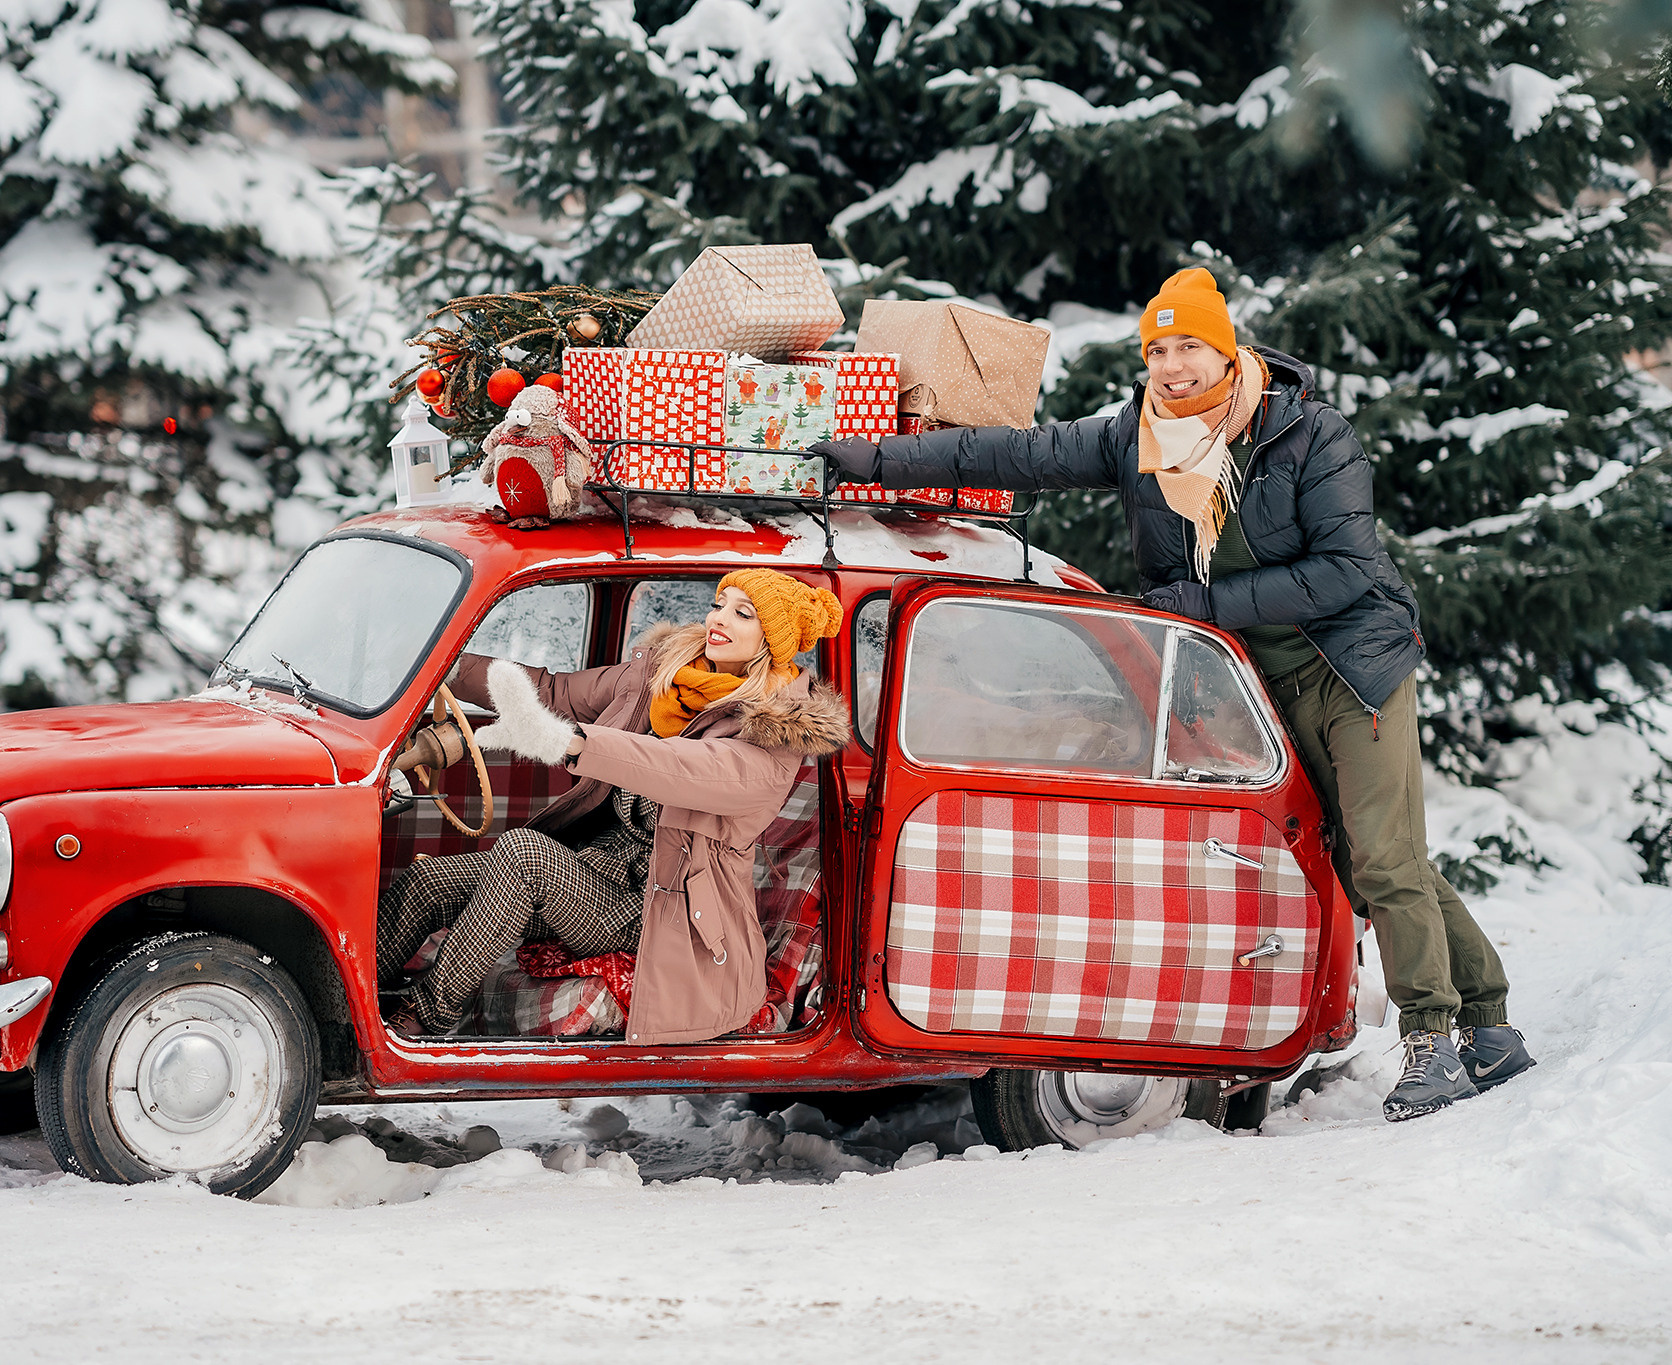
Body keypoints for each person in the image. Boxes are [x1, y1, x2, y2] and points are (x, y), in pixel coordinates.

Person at [813, 267, 1533, 1121]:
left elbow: (1344, 570)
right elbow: (1015, 453)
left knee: (1382, 854)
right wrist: (878, 460)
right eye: (1157, 350)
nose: (1172, 365)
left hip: (1351, 667)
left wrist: (1204, 605)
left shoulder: (1308, 434)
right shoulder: (1140, 437)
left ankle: (1433, 1041)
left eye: (1189, 345)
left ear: (1226, 351)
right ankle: (1490, 1023)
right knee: (1366, 855)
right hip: (1256, 684)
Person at [377, 568, 848, 1044]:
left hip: (665, 910)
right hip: (597, 871)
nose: (718, 619)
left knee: (525, 855)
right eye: (718, 604)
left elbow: (679, 766)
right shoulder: (665, 674)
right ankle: (345, 1003)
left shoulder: (775, 737)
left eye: (742, 614)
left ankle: (424, 1021)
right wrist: (444, 666)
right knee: (428, 882)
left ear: (771, 643)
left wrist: (572, 742)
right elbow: (556, 693)